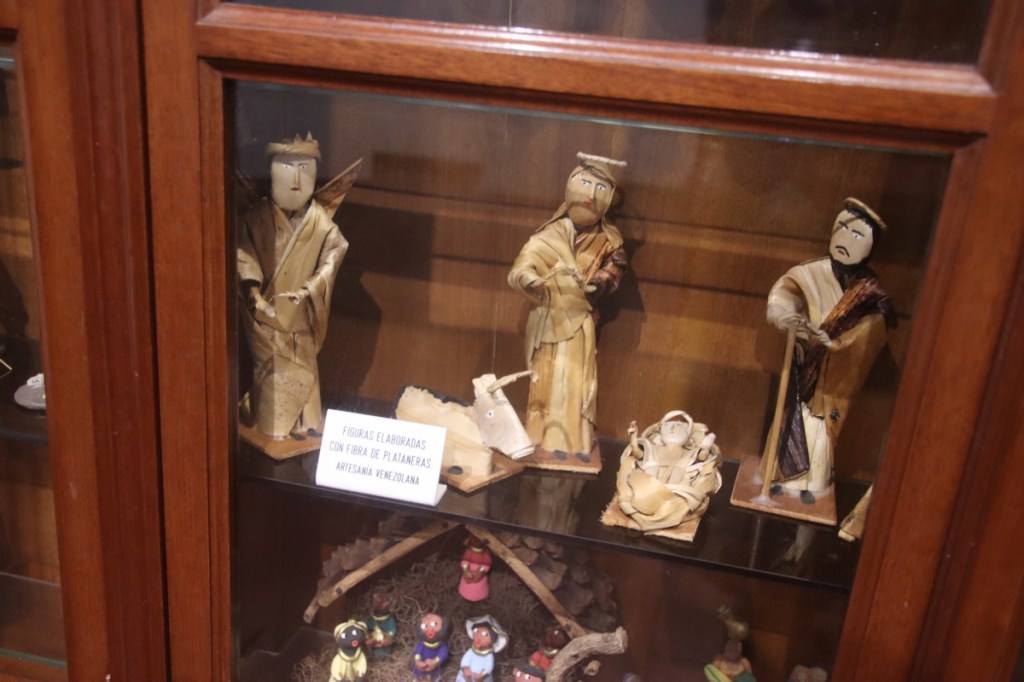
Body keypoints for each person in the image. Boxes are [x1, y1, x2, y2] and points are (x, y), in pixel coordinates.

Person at [766, 198, 893, 503]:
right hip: (805, 363)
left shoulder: (870, 291)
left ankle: (813, 485)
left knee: (820, 431)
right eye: (842, 228)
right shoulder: (811, 272)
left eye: (857, 234)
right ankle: (779, 478)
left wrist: (840, 344)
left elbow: (878, 327)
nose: (846, 239)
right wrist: (788, 319)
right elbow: (783, 296)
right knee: (792, 421)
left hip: (836, 377)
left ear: (871, 247)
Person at [508, 153, 628, 458]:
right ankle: (539, 435)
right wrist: (530, 280)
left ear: (609, 199)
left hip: (579, 323)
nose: (591, 195)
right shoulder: (549, 234)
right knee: (544, 378)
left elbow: (615, 271)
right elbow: (523, 266)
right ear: (570, 186)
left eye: (600, 188)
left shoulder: (610, 241)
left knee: (573, 382)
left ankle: (570, 442)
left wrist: (597, 283)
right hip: (547, 318)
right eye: (585, 184)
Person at [237, 133, 349, 440]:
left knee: (305, 370)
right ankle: (271, 426)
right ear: (270, 172)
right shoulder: (254, 219)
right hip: (265, 317)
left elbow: (332, 259)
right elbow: (243, 256)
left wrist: (308, 291)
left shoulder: (321, 223)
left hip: (301, 314)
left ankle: (307, 425)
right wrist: (255, 296)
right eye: (287, 168)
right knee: (271, 373)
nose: (297, 180)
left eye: (305, 168)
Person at [456, 615, 507, 682]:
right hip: (467, 677)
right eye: (476, 631)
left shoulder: (489, 656)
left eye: (485, 635)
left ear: (493, 640)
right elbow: (465, 661)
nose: (479, 638)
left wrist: (481, 676)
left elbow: (488, 667)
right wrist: (466, 669)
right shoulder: (471, 651)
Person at [411, 612, 450, 680]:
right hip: (421, 668)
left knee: (436, 676)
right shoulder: (422, 644)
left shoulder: (442, 645)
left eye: (434, 624)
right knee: (417, 673)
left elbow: (443, 654)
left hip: (435, 670)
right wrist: (418, 661)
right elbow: (417, 652)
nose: (430, 629)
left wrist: (435, 662)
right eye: (425, 626)